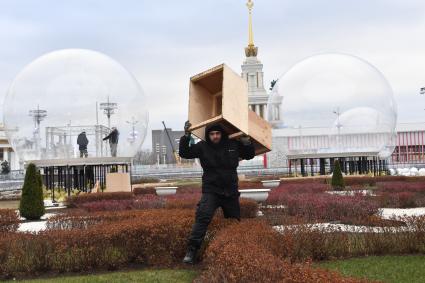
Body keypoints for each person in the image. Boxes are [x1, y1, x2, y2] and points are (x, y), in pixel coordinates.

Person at [179, 121, 255, 264]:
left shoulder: (233, 144)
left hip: (230, 192)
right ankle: (191, 251)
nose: (215, 136)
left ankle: (235, 252)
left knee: (234, 222)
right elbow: (184, 153)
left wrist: (246, 142)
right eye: (212, 134)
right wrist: (186, 136)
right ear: (208, 135)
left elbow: (249, 154)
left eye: (217, 133)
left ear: (222, 134)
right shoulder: (202, 146)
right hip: (211, 191)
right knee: (202, 218)